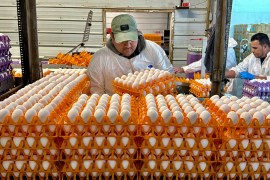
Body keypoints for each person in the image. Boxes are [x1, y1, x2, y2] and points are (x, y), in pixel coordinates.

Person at [87, 14, 173, 95]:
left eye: (131, 39)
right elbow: (97, 93)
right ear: (112, 36)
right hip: (117, 107)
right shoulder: (100, 58)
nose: (128, 45)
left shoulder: (153, 49)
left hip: (150, 107)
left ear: (137, 32)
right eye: (122, 40)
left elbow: (167, 79)